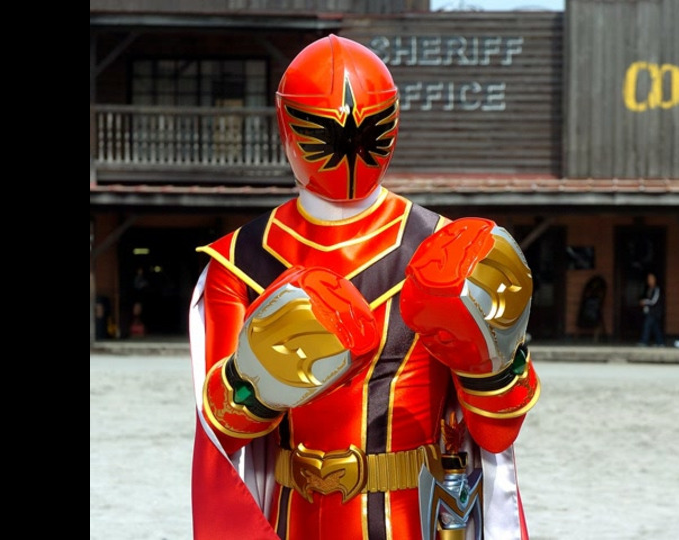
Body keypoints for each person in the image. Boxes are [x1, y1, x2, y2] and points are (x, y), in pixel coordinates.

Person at [187, 35, 540, 540]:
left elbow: (493, 432)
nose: (349, 145)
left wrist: (492, 360)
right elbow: (220, 434)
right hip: (295, 516)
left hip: (414, 514)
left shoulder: (447, 250)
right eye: (325, 132)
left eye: (367, 130)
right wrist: (255, 380)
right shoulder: (242, 259)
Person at [638, 272, 665, 346]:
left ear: (655, 280)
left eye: (651, 279)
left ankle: (644, 342)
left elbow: (654, 301)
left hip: (655, 312)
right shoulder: (649, 289)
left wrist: (644, 302)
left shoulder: (657, 289)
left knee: (647, 325)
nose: (650, 281)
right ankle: (660, 343)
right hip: (650, 311)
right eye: (648, 279)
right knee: (655, 327)